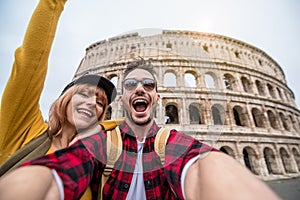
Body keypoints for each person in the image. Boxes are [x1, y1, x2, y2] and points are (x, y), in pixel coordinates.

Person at [0, 58, 281, 200]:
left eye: (148, 85)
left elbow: (201, 166)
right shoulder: (100, 142)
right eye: (131, 85)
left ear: (158, 97)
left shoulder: (171, 142)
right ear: (122, 99)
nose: (140, 90)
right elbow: (60, 173)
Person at [0, 0, 120, 199]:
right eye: (84, 94)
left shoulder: (94, 163)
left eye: (100, 103)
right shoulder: (23, 130)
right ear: (64, 100)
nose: (92, 103)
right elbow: (29, 62)